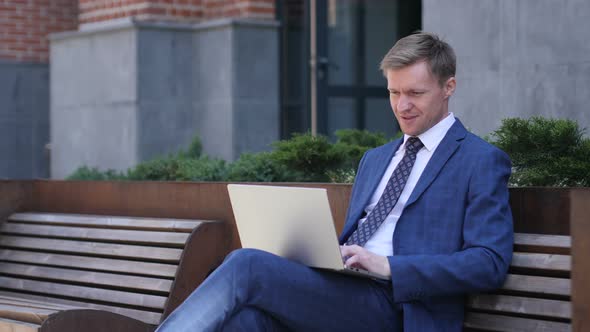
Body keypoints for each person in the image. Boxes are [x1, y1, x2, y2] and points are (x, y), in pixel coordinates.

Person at [156, 31, 513, 332]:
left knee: (247, 264)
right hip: (344, 290)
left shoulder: (479, 160)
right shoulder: (375, 160)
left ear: (448, 86)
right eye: (393, 92)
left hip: (401, 308)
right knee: (249, 321)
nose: (402, 105)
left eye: (415, 94)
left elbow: (488, 262)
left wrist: (387, 266)